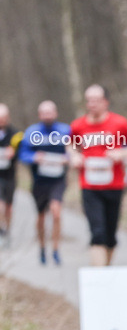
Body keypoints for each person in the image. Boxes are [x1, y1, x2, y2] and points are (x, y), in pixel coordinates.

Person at [69, 84, 127, 266]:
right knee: (97, 232)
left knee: (110, 235)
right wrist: (75, 156)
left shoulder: (119, 123)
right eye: (89, 100)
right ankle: (98, 276)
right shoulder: (78, 125)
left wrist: (122, 153)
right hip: (89, 186)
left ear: (106, 102)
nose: (91, 104)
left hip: (114, 186)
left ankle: (106, 272)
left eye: (96, 100)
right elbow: (69, 145)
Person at [18, 101, 70, 264]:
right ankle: (42, 247)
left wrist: (66, 159)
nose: (47, 116)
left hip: (58, 180)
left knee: (56, 212)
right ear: (40, 115)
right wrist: (35, 158)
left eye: (50, 112)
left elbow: (74, 150)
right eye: (44, 113)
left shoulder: (65, 131)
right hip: (39, 181)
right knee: (41, 216)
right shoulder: (31, 132)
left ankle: (55, 249)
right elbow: (23, 154)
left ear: (56, 113)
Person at [0, 104, 22, 248]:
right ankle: (1, 230)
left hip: (10, 175)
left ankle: (7, 231)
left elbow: (23, 154)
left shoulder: (16, 134)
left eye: (3, 118)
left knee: (8, 206)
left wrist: (14, 154)